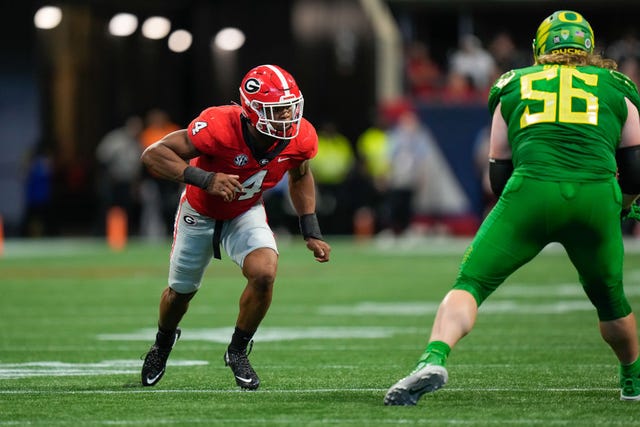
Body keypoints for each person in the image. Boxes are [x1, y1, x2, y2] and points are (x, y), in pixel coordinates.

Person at [384, 10, 640, 405]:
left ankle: (432, 357)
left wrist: (514, 214)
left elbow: (498, 166)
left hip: (530, 193)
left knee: (471, 283)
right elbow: (635, 165)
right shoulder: (617, 85)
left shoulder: (513, 83)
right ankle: (632, 381)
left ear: (541, 47)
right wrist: (622, 207)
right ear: (588, 46)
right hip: (595, 196)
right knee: (611, 300)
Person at [139, 64, 331, 390]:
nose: (287, 118)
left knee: (265, 272)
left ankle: (238, 350)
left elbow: (300, 175)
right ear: (253, 111)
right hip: (199, 213)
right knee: (179, 295)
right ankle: (163, 343)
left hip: (245, 211)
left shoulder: (300, 137)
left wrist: (310, 229)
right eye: (278, 110)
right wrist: (206, 179)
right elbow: (154, 154)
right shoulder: (219, 125)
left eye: (290, 108)